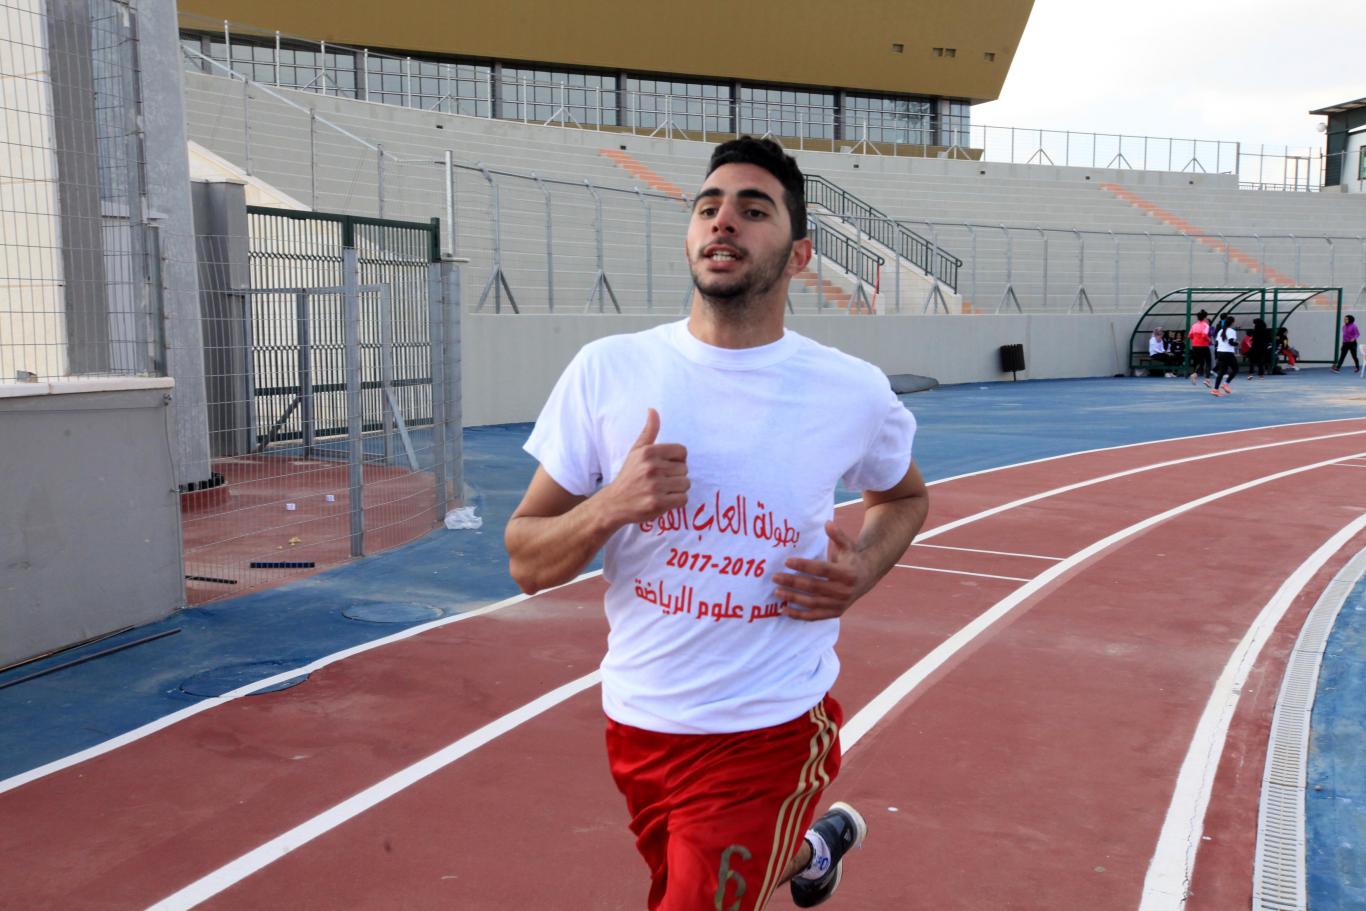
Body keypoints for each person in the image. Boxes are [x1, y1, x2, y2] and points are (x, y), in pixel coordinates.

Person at [505, 137, 930, 910]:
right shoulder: (608, 371)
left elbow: (903, 498)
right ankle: (809, 850)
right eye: (708, 207)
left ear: (799, 256)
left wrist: (861, 570)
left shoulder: (850, 391)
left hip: (770, 725)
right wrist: (610, 503)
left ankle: (795, 837)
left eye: (753, 209)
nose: (723, 221)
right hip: (639, 721)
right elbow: (527, 560)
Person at [1211, 315, 1239, 397]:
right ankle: (1225, 384)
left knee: (1222, 372)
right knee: (1235, 369)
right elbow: (1231, 342)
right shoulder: (1232, 331)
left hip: (1220, 352)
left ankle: (1215, 389)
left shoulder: (1220, 331)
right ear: (1232, 322)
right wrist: (1237, 343)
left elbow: (1216, 343)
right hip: (1228, 353)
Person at [1187, 309, 1212, 386]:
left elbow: (1189, 336)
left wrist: (1196, 339)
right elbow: (1204, 335)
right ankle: (1207, 379)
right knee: (1208, 362)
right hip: (1203, 345)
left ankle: (1195, 374)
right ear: (1205, 318)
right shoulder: (1206, 325)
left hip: (1195, 346)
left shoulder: (1194, 325)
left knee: (1200, 362)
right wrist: (1209, 340)